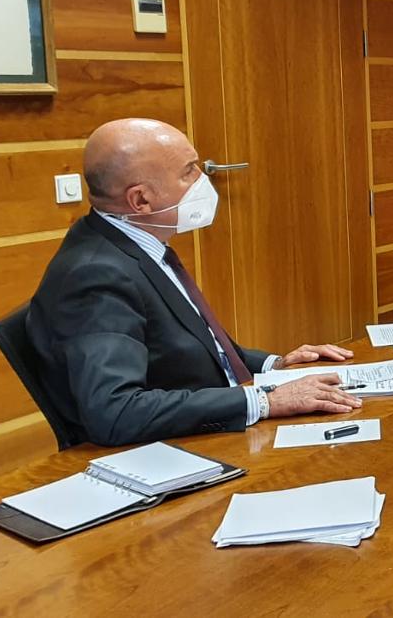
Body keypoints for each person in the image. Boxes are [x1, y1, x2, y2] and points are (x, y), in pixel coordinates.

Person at [26, 118, 364, 446]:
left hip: (218, 420)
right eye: (189, 171)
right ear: (141, 200)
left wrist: (275, 365)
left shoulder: (134, 242)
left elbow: (194, 348)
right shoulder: (96, 274)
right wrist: (264, 401)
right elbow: (116, 412)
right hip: (179, 450)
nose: (204, 179)